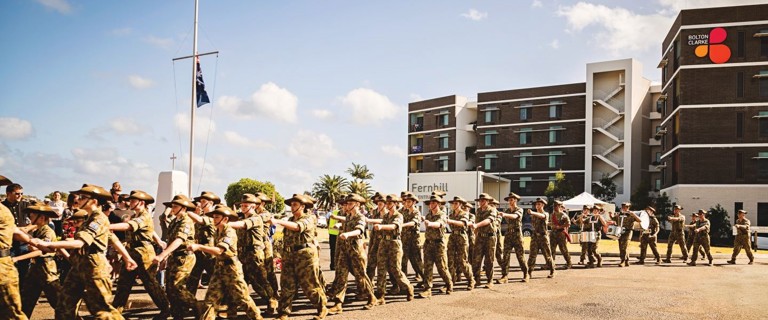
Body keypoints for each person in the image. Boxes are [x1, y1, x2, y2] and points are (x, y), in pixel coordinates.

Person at [32, 184, 138, 320]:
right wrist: (127, 258)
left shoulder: (98, 218)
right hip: (79, 265)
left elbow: (80, 243)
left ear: (94, 201)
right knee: (64, 306)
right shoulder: (89, 218)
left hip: (93, 266)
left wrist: (49, 244)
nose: (78, 200)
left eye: (83, 197)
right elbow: (113, 239)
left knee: (102, 311)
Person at [188, 204, 263, 320]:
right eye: (214, 217)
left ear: (225, 219)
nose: (214, 219)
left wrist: (199, 247)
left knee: (243, 298)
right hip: (219, 268)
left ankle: (258, 318)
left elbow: (219, 251)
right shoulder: (218, 231)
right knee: (210, 300)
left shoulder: (229, 232)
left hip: (232, 270)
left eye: (217, 217)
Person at [110, 190, 171, 318]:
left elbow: (130, 226)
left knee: (150, 284)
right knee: (123, 283)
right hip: (132, 252)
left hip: (144, 253)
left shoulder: (144, 216)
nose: (130, 203)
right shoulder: (136, 215)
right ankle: (115, 312)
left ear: (141, 202)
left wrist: (108, 226)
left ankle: (166, 308)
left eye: (133, 201)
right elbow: (150, 230)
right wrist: (159, 241)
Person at [271, 194, 328, 320]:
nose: (292, 207)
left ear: (302, 206)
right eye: (291, 204)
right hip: (289, 255)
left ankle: (322, 307)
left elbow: (298, 227)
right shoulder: (290, 220)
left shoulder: (309, 218)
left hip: (304, 255)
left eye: (295, 204)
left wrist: (278, 221)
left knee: (310, 285)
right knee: (286, 285)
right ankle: (284, 312)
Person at [152, 194, 201, 320]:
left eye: (175, 206)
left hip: (185, 257)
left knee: (177, 287)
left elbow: (179, 240)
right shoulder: (175, 221)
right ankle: (177, 315)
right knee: (170, 289)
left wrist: (162, 255)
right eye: (172, 206)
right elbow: (170, 241)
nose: (172, 208)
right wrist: (166, 257)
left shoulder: (186, 221)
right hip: (174, 257)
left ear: (183, 208)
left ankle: (198, 307)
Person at [229, 194, 278, 314]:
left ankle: (273, 300)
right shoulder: (242, 218)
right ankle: (233, 308)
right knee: (240, 281)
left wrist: (224, 223)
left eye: (246, 205)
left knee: (261, 281)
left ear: (253, 206)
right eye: (242, 205)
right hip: (243, 255)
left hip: (254, 254)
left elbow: (243, 225)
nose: (243, 207)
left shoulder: (256, 218)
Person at [327, 193, 377, 314]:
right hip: (345, 250)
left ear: (357, 204)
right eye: (347, 203)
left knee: (361, 276)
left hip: (356, 250)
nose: (347, 205)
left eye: (350, 203)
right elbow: (344, 223)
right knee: (341, 276)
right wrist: (340, 226)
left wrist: (348, 234)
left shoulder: (360, 217)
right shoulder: (348, 217)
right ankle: (338, 303)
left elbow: (359, 230)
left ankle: (371, 297)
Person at [16, 203, 63, 318]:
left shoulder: (47, 231)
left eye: (32, 216)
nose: (30, 218)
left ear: (41, 218)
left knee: (60, 303)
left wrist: (17, 258)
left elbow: (42, 251)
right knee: (26, 301)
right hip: (35, 270)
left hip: (46, 271)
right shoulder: (38, 230)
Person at [372, 194, 414, 304]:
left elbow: (393, 226)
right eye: (386, 203)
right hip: (384, 242)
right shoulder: (386, 216)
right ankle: (380, 294)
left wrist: (381, 227)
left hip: (394, 243)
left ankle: (408, 287)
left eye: (390, 203)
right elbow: (381, 223)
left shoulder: (399, 216)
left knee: (395, 269)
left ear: (395, 204)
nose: (387, 205)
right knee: (381, 269)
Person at [419, 195, 452, 298]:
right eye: (430, 203)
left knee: (442, 268)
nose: (431, 205)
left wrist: (430, 223)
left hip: (438, 245)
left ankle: (449, 284)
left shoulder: (442, 214)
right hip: (428, 244)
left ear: (438, 204)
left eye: (433, 203)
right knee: (427, 267)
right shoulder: (428, 215)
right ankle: (427, 289)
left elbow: (439, 224)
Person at [187, 191, 219, 294]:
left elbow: (201, 220)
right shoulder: (199, 215)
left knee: (216, 280)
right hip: (198, 253)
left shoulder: (214, 216)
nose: (200, 204)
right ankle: (188, 304)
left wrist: (186, 210)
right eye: (200, 201)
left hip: (209, 254)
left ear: (210, 203)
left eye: (203, 201)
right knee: (192, 280)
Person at [497, 192, 528, 283]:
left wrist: (504, 214)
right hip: (508, 235)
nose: (510, 201)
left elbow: (515, 216)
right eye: (509, 200)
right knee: (506, 256)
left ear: (516, 200)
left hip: (517, 235)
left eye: (512, 199)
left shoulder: (520, 209)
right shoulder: (507, 211)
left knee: (520, 256)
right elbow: (501, 219)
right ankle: (504, 276)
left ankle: (526, 274)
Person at [446, 196, 475, 290]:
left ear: (460, 204)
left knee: (462, 262)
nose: (453, 205)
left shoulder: (464, 213)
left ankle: (471, 280)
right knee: (450, 261)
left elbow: (463, 223)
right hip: (452, 237)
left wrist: (450, 221)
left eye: (456, 203)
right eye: (453, 203)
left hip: (462, 238)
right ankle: (450, 282)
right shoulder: (451, 214)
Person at [254, 192, 279, 296]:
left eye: (257, 203)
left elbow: (257, 219)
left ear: (263, 203)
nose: (255, 205)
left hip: (265, 243)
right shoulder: (253, 214)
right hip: (256, 244)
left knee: (269, 270)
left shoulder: (266, 214)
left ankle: (275, 291)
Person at [472, 193, 498, 288]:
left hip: (490, 237)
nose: (481, 202)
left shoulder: (492, 210)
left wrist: (477, 225)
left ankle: (490, 281)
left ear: (487, 202)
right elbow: (476, 224)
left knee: (489, 260)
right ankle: (476, 280)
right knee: (476, 259)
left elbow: (488, 220)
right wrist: (475, 233)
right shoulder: (478, 211)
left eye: (483, 201)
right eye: (480, 201)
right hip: (480, 237)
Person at [400, 192, 425, 286]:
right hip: (404, 240)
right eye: (406, 201)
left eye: (409, 201)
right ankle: (403, 282)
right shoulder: (403, 212)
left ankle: (425, 280)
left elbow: (413, 223)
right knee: (403, 261)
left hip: (414, 240)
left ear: (414, 202)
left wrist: (401, 225)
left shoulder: (416, 212)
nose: (407, 203)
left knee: (417, 262)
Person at [527, 197, 555, 279]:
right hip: (535, 237)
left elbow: (542, 216)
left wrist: (532, 212)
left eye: (539, 204)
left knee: (547, 255)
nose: (537, 206)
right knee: (532, 255)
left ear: (543, 205)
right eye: (536, 204)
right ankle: (529, 272)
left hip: (543, 237)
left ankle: (552, 270)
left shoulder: (545, 213)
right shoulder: (534, 215)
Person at [610, 202, 641, 267]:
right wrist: (610, 215)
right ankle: (626, 260)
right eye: (623, 207)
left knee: (625, 246)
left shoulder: (631, 215)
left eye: (625, 207)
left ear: (628, 208)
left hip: (628, 232)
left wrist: (633, 214)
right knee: (621, 246)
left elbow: (639, 220)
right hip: (620, 231)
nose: (624, 208)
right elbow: (613, 218)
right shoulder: (619, 214)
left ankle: (623, 261)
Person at [549, 200, 572, 269]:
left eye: (556, 206)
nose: (555, 207)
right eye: (554, 206)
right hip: (553, 233)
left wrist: (560, 227)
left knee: (563, 249)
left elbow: (568, 224)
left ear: (559, 206)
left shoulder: (563, 215)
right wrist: (549, 224)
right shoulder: (552, 215)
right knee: (552, 249)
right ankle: (551, 264)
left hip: (561, 234)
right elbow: (552, 223)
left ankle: (569, 263)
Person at [327, 196, 345, 271]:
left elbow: (328, 221)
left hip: (334, 233)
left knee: (334, 250)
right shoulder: (337, 213)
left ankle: (333, 265)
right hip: (335, 233)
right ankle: (334, 265)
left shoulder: (335, 213)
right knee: (335, 250)